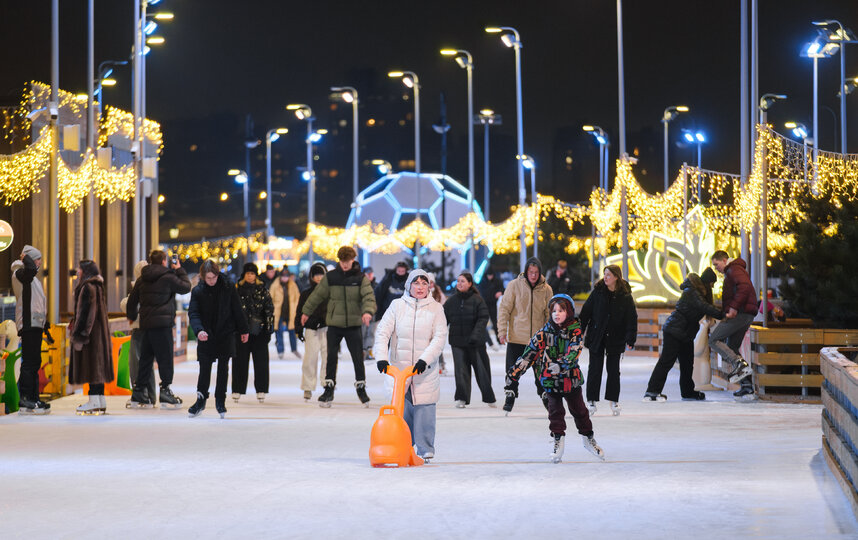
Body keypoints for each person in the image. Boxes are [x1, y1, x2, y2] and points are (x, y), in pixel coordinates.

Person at [504, 294, 605, 463]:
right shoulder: (543, 333)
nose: (556, 314)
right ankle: (558, 440)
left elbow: (575, 351)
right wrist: (513, 375)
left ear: (569, 312)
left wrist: (562, 364)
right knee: (555, 413)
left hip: (570, 379)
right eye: (554, 311)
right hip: (550, 381)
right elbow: (528, 355)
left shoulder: (575, 331)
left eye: (561, 310)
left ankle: (588, 438)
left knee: (580, 411)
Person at [375, 269, 448, 462]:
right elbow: (383, 332)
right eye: (417, 283)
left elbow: (439, 338)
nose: (420, 287)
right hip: (400, 370)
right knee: (401, 410)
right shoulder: (397, 306)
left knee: (425, 408)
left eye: (424, 284)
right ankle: (402, 444)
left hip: (425, 370)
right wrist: (382, 357)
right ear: (409, 285)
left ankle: (425, 448)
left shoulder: (436, 309)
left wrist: (425, 360)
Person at [301, 246, 376, 407]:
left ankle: (361, 388)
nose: (345, 264)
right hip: (334, 324)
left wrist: (367, 312)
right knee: (331, 358)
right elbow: (317, 295)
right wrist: (306, 311)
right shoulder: (331, 277)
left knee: (357, 358)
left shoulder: (360, 278)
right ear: (339, 261)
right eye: (342, 261)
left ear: (353, 260)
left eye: (347, 261)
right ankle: (328, 390)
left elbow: (368, 296)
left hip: (354, 324)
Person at [126, 249, 192, 410]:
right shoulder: (168, 277)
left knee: (146, 359)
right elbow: (186, 287)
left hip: (147, 325)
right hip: (162, 326)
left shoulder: (142, 279)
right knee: (165, 359)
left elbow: (132, 300)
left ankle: (139, 392)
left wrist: (132, 316)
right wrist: (179, 270)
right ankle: (165, 391)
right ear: (164, 261)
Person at [644, 269, 722, 402]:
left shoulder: (697, 292)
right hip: (675, 331)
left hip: (685, 333)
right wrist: (724, 314)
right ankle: (652, 391)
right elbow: (704, 307)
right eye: (712, 283)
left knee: (687, 364)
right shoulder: (692, 292)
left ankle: (687, 392)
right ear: (707, 282)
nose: (712, 287)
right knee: (666, 362)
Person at [188, 260, 249, 419]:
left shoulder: (228, 286)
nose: (211, 281)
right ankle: (200, 400)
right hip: (206, 334)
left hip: (225, 333)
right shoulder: (198, 291)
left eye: (213, 278)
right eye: (208, 278)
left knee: (223, 368)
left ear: (217, 274)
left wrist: (243, 330)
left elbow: (237, 308)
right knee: (204, 368)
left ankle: (220, 401)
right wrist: (199, 330)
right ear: (202, 277)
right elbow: (193, 313)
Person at [579, 264, 637, 416]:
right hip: (597, 336)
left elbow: (631, 318)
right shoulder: (598, 293)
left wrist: (630, 338)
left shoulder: (625, 297)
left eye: (609, 275)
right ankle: (591, 400)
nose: (605, 277)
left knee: (613, 371)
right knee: (595, 369)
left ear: (616, 277)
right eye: (604, 274)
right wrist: (579, 331)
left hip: (616, 337)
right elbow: (586, 312)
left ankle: (613, 400)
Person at [497, 257, 553, 412]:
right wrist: (502, 331)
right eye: (531, 272)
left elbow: (549, 314)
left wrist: (549, 336)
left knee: (541, 372)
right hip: (517, 337)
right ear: (526, 271)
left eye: (536, 272)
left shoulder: (546, 289)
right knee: (512, 370)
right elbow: (504, 309)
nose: (533, 275)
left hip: (538, 339)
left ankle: (546, 397)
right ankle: (510, 395)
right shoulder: (514, 285)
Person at [443, 271, 496, 408]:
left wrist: (475, 336)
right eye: (458, 281)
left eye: (463, 281)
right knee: (460, 371)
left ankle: (489, 397)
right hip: (457, 342)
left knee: (481, 370)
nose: (460, 283)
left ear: (470, 284)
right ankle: (461, 398)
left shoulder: (477, 300)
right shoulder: (451, 301)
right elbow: (443, 320)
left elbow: (483, 318)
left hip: (475, 343)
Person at [709, 250, 757, 399]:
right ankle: (747, 386)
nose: (716, 268)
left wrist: (734, 308)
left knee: (714, 339)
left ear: (724, 260)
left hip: (741, 313)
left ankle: (739, 364)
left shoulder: (734, 269)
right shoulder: (734, 270)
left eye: (716, 264)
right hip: (745, 313)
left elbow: (745, 287)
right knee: (732, 346)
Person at [67, 260, 113, 415]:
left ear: (85, 271)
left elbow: (86, 313)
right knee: (98, 366)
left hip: (90, 335)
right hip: (99, 334)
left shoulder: (87, 287)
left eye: (80, 269)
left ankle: (93, 401)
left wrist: (79, 334)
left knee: (92, 366)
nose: (77, 271)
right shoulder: (98, 286)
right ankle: (100, 399)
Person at [11, 245, 51, 415]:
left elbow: (39, 302)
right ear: (28, 260)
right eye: (37, 260)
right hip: (28, 324)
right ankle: (26, 399)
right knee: (29, 362)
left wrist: (45, 323)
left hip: (36, 324)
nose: (39, 264)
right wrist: (25, 257)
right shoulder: (20, 273)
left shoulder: (34, 279)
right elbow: (28, 271)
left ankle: (34, 398)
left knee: (35, 362)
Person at [232, 262, 275, 403]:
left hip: (260, 332)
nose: (250, 276)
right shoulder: (237, 290)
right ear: (244, 275)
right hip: (241, 331)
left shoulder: (263, 290)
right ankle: (237, 389)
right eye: (248, 273)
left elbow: (269, 310)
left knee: (261, 362)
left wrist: (269, 330)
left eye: (253, 273)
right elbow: (231, 310)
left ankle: (261, 390)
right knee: (239, 362)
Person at [120, 260, 156, 405]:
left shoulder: (139, 287)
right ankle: (150, 395)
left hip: (140, 330)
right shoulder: (154, 286)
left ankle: (141, 394)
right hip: (150, 329)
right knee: (147, 364)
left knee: (136, 363)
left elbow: (128, 306)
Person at [294, 262, 329, 401]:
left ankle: (327, 383)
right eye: (316, 275)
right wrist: (298, 328)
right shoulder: (306, 293)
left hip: (327, 328)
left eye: (321, 275)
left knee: (328, 358)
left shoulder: (330, 292)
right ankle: (307, 386)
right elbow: (299, 312)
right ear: (311, 277)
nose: (319, 278)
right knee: (310, 358)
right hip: (311, 328)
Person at [271, 269, 301, 360]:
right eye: (283, 276)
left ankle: (294, 349)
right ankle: (280, 350)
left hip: (290, 312)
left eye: (286, 276)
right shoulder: (275, 285)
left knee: (292, 331)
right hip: (278, 312)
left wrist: (296, 308)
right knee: (278, 332)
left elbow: (297, 297)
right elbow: (270, 298)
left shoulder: (293, 285)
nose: (285, 278)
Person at [478, 266, 504, 348]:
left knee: (495, 322)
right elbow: (482, 293)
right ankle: (487, 341)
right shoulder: (483, 282)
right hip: (484, 305)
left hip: (492, 305)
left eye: (491, 275)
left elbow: (503, 289)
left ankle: (498, 340)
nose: (490, 277)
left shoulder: (497, 281)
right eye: (488, 275)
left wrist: (500, 292)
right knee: (483, 323)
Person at [362, 266, 377, 361]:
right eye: (367, 274)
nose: (369, 276)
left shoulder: (376, 285)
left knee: (371, 332)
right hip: (362, 313)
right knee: (362, 332)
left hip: (374, 313)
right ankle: (362, 351)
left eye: (370, 274)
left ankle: (369, 350)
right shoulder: (360, 285)